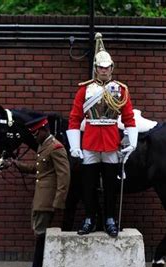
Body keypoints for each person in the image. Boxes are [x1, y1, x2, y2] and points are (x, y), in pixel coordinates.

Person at [67, 42, 138, 238]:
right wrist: (74, 145)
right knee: (87, 184)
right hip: (90, 143)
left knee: (110, 186)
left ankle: (110, 219)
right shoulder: (84, 90)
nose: (104, 70)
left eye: (107, 67)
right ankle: (90, 218)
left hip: (111, 143)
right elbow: (74, 118)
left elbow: (129, 118)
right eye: (101, 67)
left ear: (112, 68)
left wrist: (132, 143)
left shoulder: (121, 90)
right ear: (95, 68)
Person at [8, 115, 70, 267]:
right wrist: (16, 164)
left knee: (41, 232)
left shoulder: (55, 147)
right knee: (39, 231)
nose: (35, 136)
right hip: (41, 197)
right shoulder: (45, 146)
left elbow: (64, 176)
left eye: (36, 133)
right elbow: (38, 169)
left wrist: (58, 201)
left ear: (44, 129)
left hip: (47, 198)